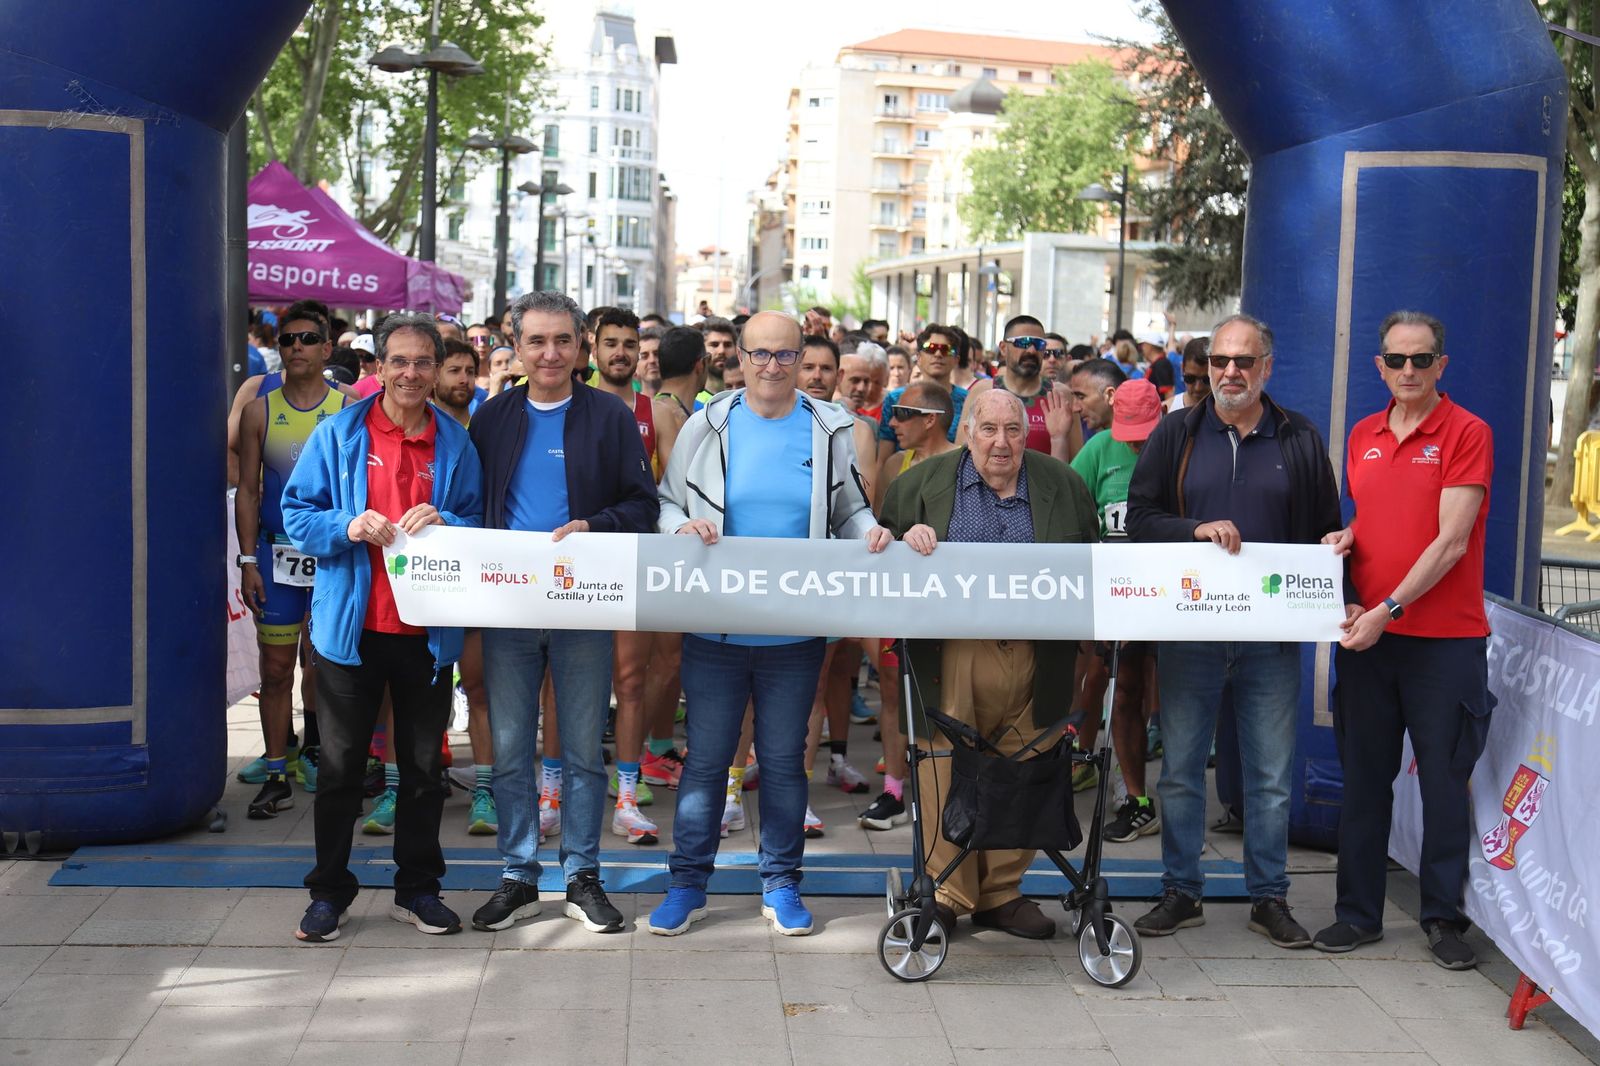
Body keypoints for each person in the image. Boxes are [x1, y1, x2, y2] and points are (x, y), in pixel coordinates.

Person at [648, 310, 878, 939]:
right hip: (716, 630)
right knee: (705, 765)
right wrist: (681, 528)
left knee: (781, 764)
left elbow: (851, 508)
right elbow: (667, 502)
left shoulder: (829, 426)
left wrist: (871, 532)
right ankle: (687, 885)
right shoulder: (708, 423)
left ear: (801, 359)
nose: (771, 366)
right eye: (760, 354)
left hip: (794, 633)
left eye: (784, 355)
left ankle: (780, 884)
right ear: (738, 359)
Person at [1126, 312, 1343, 949]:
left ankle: (1269, 898)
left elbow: (1325, 529)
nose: (1228, 372)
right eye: (1219, 360)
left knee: (1272, 776)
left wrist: (1332, 547)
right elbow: (1139, 518)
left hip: (1270, 638)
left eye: (1242, 362)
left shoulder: (1298, 438)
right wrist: (1193, 528)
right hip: (1189, 630)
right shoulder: (1176, 433)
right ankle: (1181, 892)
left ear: (1266, 368)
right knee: (1182, 771)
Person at [281, 311, 484, 942]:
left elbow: (480, 523)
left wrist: (449, 521)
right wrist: (347, 525)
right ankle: (329, 892)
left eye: (424, 362)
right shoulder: (339, 435)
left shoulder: (455, 443)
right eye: (399, 361)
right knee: (341, 769)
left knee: (423, 769)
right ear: (378, 367)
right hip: (350, 629)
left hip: (425, 632)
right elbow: (296, 513)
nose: (412, 373)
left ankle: (418, 889)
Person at [466, 291, 659, 935]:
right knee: (514, 747)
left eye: (562, 341)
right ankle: (518, 876)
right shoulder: (492, 417)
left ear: (580, 346)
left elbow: (642, 507)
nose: (550, 354)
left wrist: (594, 523)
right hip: (510, 601)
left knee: (581, 748)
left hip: (583, 600)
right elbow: (471, 501)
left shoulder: (608, 416)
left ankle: (583, 874)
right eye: (536, 342)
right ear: (514, 348)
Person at [875, 389, 1100, 937]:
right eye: (989, 430)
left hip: (1038, 649)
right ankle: (946, 891)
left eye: (1014, 431)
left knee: (1026, 761)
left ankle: (1001, 892)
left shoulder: (1063, 485)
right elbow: (878, 553)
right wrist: (905, 539)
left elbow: (1091, 561)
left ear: (1028, 433)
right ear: (967, 431)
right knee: (943, 760)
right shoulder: (919, 485)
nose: (1002, 443)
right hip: (954, 647)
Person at [1312, 311, 1493, 970]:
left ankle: (1443, 917)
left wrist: (1387, 607)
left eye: (1421, 360)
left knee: (1446, 786)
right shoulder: (1364, 432)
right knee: (1363, 780)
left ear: (1441, 365)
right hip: (1369, 638)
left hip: (1442, 642)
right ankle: (1357, 914)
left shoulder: (1468, 432)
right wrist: (1349, 537)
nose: (1409, 371)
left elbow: (1450, 540)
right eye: (1397, 360)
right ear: (1379, 366)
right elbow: (1377, 512)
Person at [234, 301, 349, 819]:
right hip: (275, 554)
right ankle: (277, 770)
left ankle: (321, 754)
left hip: (332, 555)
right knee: (277, 669)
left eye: (307, 339)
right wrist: (246, 560)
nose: (296, 347)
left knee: (325, 666)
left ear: (327, 348)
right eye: (287, 339)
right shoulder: (261, 409)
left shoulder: (348, 408)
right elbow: (249, 491)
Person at [577, 306, 663, 846]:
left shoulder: (661, 413)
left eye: (629, 344)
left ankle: (627, 799)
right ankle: (552, 794)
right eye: (610, 342)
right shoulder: (567, 401)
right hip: (575, 559)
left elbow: (673, 495)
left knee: (630, 681)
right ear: (593, 346)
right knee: (563, 687)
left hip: (632, 561)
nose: (620, 353)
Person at [1071, 379, 1164, 842]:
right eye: (1130, 432)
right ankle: (1137, 798)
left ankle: (1178, 796)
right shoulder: (1099, 449)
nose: (1137, 442)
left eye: (1145, 431)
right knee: (1123, 687)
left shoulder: (1177, 447)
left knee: (1173, 695)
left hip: (1175, 589)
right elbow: (1071, 507)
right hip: (1117, 592)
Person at [964, 314, 1074, 460]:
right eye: (1023, 343)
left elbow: (1077, 462)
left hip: (1045, 482)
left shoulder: (1060, 395)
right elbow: (963, 452)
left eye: (1039, 344)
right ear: (1003, 348)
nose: (1031, 350)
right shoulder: (982, 391)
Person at [875, 324, 969, 466]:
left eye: (945, 349)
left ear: (956, 359)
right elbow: (883, 458)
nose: (937, 354)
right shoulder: (896, 398)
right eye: (930, 348)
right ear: (918, 357)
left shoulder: (967, 400)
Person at [1167, 336, 1212, 412]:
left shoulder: (1232, 413)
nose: (1198, 388)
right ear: (1182, 369)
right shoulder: (1167, 409)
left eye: (1206, 379)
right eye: (1190, 378)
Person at [701, 316, 737, 395]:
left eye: (727, 345)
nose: (721, 351)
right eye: (714, 345)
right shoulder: (690, 399)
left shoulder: (747, 396)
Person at [637, 324, 664, 397]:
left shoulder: (689, 406)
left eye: (657, 354)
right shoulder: (627, 407)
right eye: (644, 356)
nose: (652, 360)